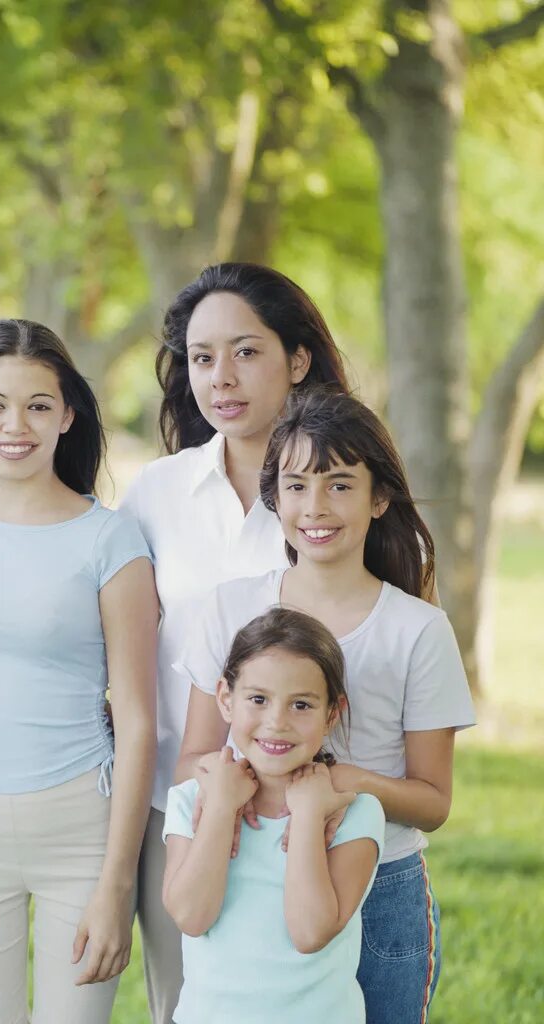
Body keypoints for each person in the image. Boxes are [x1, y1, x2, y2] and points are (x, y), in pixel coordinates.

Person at [176, 387, 477, 1023]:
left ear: (379, 497)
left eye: (340, 485)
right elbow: (197, 756)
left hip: (380, 885)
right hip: (247, 878)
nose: (315, 506)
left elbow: (434, 801)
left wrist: (340, 786)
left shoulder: (417, 630)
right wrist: (227, 794)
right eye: (296, 485)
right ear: (274, 498)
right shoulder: (230, 608)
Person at [118, 262, 353, 1023]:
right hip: (184, 801)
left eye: (247, 351)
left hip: (315, 811)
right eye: (201, 356)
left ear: (298, 359)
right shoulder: (157, 494)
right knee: (188, 1004)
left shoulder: (339, 492)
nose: (221, 377)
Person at [0, 319, 157, 1023]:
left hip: (80, 823)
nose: (14, 425)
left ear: (67, 414)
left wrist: (116, 884)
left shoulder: (110, 539)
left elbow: (138, 721)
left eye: (38, 405)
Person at [163, 606, 386, 1024]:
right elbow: (192, 917)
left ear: (331, 713)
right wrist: (221, 808)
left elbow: (309, 933)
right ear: (226, 699)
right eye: (258, 699)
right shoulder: (188, 800)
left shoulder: (355, 814)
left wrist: (306, 816)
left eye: (301, 704)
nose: (276, 722)